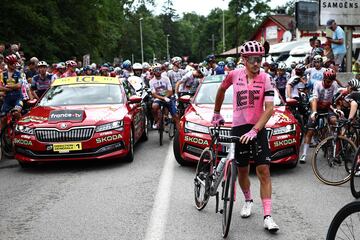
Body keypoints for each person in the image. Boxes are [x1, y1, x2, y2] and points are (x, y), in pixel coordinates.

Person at [211, 40, 279, 232]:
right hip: (239, 127)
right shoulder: (234, 75)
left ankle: (267, 216)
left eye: (260, 59)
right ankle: (248, 200)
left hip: (257, 128)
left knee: (264, 170)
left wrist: (255, 130)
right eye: (253, 60)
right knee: (242, 170)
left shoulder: (266, 78)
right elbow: (222, 89)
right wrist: (217, 112)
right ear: (244, 59)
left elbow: (270, 109)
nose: (257, 63)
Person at [299, 68, 340, 163]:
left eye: (331, 82)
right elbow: (314, 99)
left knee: (334, 121)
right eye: (328, 81)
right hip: (317, 107)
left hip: (328, 107)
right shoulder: (317, 84)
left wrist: (337, 110)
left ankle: (333, 145)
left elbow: (336, 99)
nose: (329, 84)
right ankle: (304, 154)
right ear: (324, 79)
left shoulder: (334, 84)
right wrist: (314, 112)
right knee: (310, 131)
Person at [149, 64, 180, 130]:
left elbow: (170, 91)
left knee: (176, 116)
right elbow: (154, 94)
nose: (158, 72)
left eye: (159, 70)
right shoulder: (151, 81)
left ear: (161, 71)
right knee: (154, 106)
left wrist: (166, 97)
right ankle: (156, 120)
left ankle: (179, 133)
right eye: (156, 70)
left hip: (168, 97)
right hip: (159, 98)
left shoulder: (166, 79)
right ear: (153, 72)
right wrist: (163, 98)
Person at [1, 54, 24, 124]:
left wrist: (7, 86)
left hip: (18, 98)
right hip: (7, 99)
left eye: (15, 63)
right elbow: (0, 87)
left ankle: (21, 127)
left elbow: (19, 85)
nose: (14, 65)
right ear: (8, 64)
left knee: (16, 113)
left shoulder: (19, 73)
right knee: (3, 118)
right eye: (12, 63)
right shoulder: (2, 74)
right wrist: (11, 87)